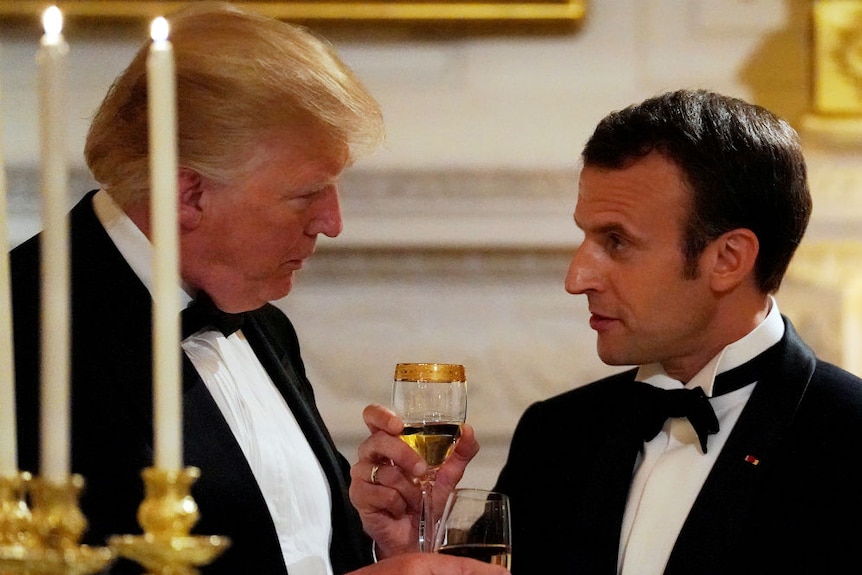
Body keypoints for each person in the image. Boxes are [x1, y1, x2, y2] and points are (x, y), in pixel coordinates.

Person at [10, 3, 507, 575]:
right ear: (188, 195)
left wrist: (383, 546)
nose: (332, 222)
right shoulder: (20, 329)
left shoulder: (261, 321)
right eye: (306, 193)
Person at [349, 89, 862, 574]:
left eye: (616, 242)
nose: (577, 278)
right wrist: (417, 544)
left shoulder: (847, 437)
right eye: (585, 236)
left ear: (728, 259)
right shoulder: (554, 436)